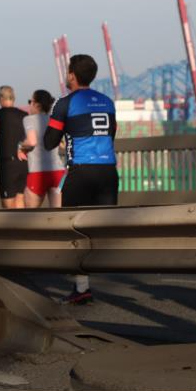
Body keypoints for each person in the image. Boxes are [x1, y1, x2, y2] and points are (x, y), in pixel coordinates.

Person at [43, 54, 118, 305]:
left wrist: (65, 132)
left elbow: (48, 142)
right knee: (102, 227)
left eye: (68, 71)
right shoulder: (107, 101)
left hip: (82, 172)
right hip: (108, 171)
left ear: (72, 75)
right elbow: (111, 134)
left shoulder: (65, 103)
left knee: (73, 228)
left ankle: (82, 286)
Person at [18, 90, 66, 209]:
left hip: (38, 173)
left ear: (37, 105)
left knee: (30, 218)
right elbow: (63, 144)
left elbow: (32, 141)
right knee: (57, 217)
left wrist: (20, 147)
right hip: (57, 172)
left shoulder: (29, 119)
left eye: (30, 101)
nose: (29, 105)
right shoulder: (54, 119)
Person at [0, 86, 28, 209]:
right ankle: (22, 228)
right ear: (13, 99)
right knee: (20, 199)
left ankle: (12, 228)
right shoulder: (24, 115)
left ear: (0, 98)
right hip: (23, 163)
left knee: (8, 206)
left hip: (7, 165)